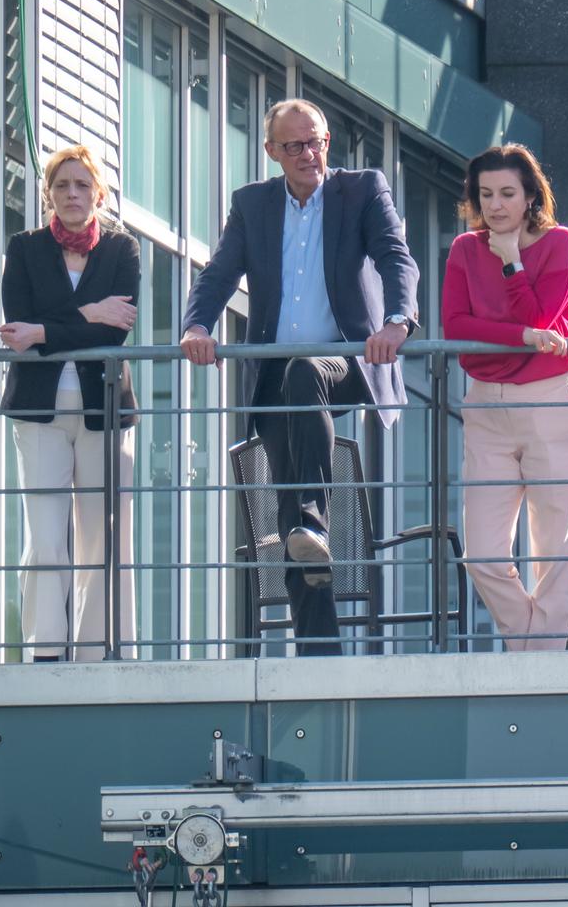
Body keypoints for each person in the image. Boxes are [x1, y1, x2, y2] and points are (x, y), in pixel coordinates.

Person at [179, 99, 419, 656]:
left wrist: (398, 320)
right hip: (276, 381)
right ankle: (320, 653)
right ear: (272, 153)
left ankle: (311, 517)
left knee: (304, 372)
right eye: (295, 146)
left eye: (317, 142)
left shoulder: (361, 190)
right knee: (292, 524)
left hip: (345, 360)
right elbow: (218, 274)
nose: (310, 154)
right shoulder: (253, 205)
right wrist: (197, 325)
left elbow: (395, 257)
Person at [441, 144, 568, 651]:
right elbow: (457, 326)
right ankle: (535, 652)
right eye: (485, 195)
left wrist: (510, 265)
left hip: (553, 397)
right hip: (486, 403)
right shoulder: (464, 249)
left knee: (555, 551)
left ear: (531, 196)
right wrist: (523, 337)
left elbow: (549, 325)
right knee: (482, 553)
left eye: (507, 193)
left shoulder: (561, 243)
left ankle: (536, 668)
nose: (496, 206)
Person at [0, 145, 140, 662]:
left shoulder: (122, 251)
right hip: (39, 409)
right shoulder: (26, 247)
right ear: (49, 195)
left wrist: (46, 325)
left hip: (105, 407)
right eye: (62, 186)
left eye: (82, 185)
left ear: (98, 194)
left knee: (102, 535)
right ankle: (45, 651)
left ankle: (99, 652)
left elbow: (117, 332)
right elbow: (19, 328)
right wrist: (88, 314)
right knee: (44, 534)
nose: (72, 194)